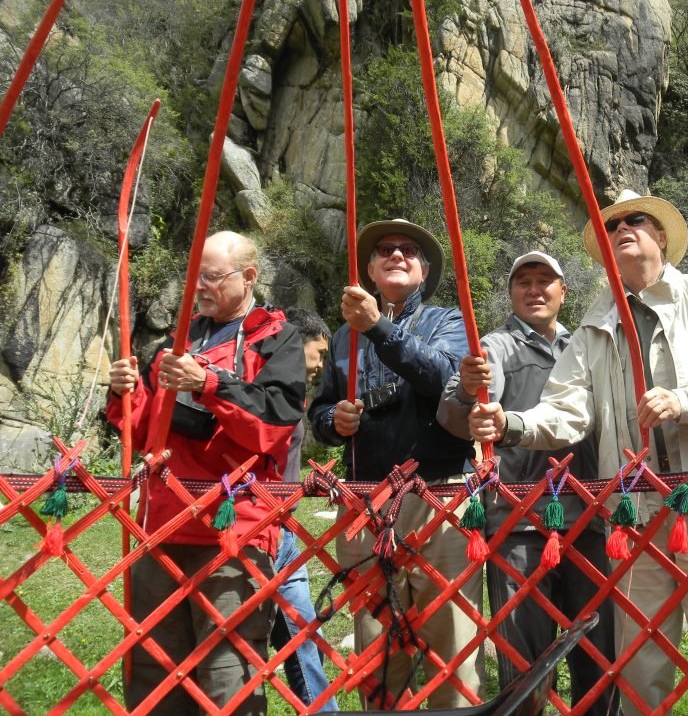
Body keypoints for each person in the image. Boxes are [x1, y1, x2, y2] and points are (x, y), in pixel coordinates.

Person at [469, 191, 688, 716]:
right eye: (613, 226)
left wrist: (684, 399)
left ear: (660, 237)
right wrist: (511, 423)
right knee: (638, 661)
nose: (624, 228)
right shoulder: (595, 325)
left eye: (637, 220)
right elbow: (566, 408)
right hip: (635, 512)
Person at [107, 231, 307, 715]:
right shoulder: (175, 342)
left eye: (212, 277)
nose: (199, 287)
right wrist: (124, 392)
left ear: (249, 277)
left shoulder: (278, 338)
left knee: (227, 672)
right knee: (154, 664)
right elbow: (142, 426)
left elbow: (274, 425)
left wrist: (210, 384)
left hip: (232, 528)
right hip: (162, 524)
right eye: (195, 277)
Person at [308, 218, 482, 708]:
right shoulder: (344, 336)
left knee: (452, 642)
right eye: (385, 249)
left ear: (424, 270)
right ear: (368, 267)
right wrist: (332, 421)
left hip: (439, 495)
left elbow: (446, 378)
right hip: (364, 501)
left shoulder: (450, 322)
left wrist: (379, 328)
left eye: (409, 250)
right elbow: (317, 412)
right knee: (377, 646)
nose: (396, 255)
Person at [437, 251, 618, 715]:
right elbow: (456, 416)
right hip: (518, 519)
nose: (534, 289)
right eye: (524, 282)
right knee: (526, 658)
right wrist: (465, 392)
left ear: (564, 291)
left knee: (598, 651)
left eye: (545, 281)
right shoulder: (493, 348)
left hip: (590, 516)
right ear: (511, 292)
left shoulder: (586, 346)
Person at [270, 307, 337, 711]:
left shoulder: (293, 392)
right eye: (320, 353)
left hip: (285, 530)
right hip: (253, 528)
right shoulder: (264, 387)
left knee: (301, 634)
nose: (320, 365)